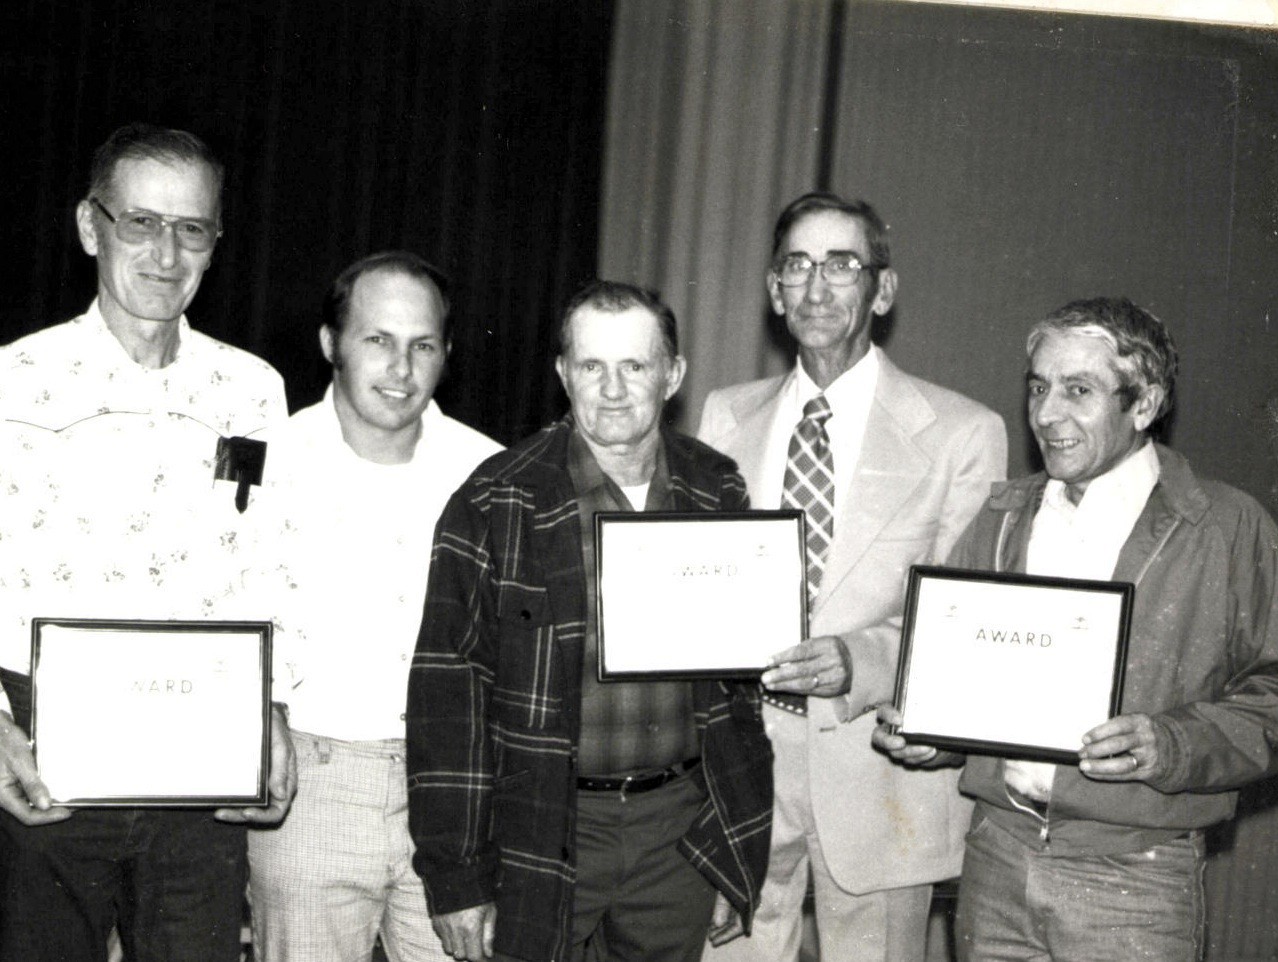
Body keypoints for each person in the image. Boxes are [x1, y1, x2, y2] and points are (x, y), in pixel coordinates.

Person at [874, 296, 1278, 961]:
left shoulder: (1228, 528)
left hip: (1136, 878)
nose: (1046, 414)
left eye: (1078, 391)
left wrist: (1171, 743)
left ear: (1144, 405)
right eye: (1039, 388)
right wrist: (932, 735)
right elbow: (962, 681)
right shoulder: (1002, 516)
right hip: (996, 858)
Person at [407, 281, 773, 962]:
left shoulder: (716, 488)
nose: (612, 389)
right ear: (562, 373)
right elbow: (447, 703)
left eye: (634, 365)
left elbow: (738, 698)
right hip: (541, 827)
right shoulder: (494, 500)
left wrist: (736, 848)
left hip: (677, 832)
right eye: (591, 365)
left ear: (673, 375)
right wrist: (457, 879)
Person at [0, 122, 295, 961]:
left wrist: (274, 710)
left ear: (215, 243)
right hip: (45, 754)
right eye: (141, 223)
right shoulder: (15, 381)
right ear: (91, 227)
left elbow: (267, 556)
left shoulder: (248, 391)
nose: (167, 254)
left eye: (191, 228)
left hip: (204, 752)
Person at [697, 192, 1006, 962]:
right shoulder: (724, 417)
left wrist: (857, 660)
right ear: (774, 292)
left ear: (882, 289)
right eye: (797, 265)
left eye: (841, 265)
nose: (816, 286)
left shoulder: (963, 434)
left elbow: (963, 620)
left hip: (880, 772)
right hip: (743, 771)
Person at [246, 251, 502, 961]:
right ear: (330, 342)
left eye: (423, 346)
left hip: (453, 791)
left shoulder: (490, 471)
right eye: (378, 340)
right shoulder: (263, 458)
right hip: (310, 784)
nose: (401, 368)